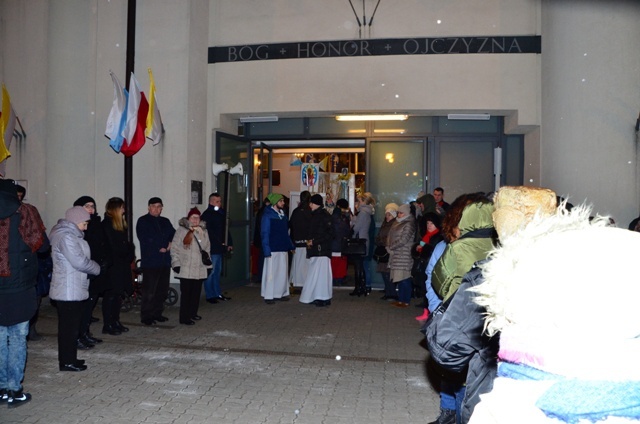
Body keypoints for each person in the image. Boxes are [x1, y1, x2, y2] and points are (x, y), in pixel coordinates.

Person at [426, 186, 557, 424]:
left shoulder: (484, 268)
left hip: (496, 359)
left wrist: (439, 319)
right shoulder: (571, 256)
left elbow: (449, 348)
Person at [428, 196, 496, 424]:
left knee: (455, 372)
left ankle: (451, 414)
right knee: (477, 383)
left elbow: (436, 280)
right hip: (490, 324)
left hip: (459, 319)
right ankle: (453, 413)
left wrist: (438, 311)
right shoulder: (502, 244)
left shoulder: (454, 247)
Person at [0, 179, 47, 408]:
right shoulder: (26, 212)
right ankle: (15, 390)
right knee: (17, 339)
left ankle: (1, 389)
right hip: (20, 289)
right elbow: (43, 245)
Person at [49, 206, 101, 372]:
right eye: (84, 223)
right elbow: (79, 261)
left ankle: (71, 358)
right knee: (68, 328)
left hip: (73, 286)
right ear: (76, 221)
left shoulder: (71, 235)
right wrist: (97, 268)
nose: (86, 227)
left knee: (72, 327)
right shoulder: (66, 237)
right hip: (68, 289)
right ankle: (66, 362)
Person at [73, 196, 111, 348]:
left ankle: (85, 332)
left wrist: (105, 262)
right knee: (82, 307)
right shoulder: (78, 226)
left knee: (90, 304)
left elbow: (103, 244)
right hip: (86, 270)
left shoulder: (96, 223)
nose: (91, 209)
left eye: (92, 206)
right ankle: (79, 335)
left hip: (98, 269)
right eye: (87, 206)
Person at [136, 197, 176, 325]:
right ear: (149, 207)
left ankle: (157, 313)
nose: (156, 209)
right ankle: (146, 316)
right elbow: (146, 238)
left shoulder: (165, 221)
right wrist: (161, 246)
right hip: (151, 261)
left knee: (162, 290)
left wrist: (169, 244)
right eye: (153, 206)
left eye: (159, 206)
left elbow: (173, 234)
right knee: (149, 291)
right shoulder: (143, 221)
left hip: (164, 261)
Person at [101, 197, 135, 336]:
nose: (124, 210)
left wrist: (129, 252)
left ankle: (115, 321)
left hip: (120, 265)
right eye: (121, 208)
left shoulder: (119, 224)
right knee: (111, 296)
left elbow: (125, 244)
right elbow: (111, 247)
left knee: (117, 296)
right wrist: (125, 253)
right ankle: (108, 324)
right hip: (113, 267)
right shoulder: (107, 225)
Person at [171, 207, 211, 325]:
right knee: (186, 294)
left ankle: (193, 313)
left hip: (199, 267)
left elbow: (207, 249)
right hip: (185, 267)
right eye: (193, 218)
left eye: (197, 217)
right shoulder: (181, 231)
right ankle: (184, 317)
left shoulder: (203, 231)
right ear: (188, 218)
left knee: (196, 293)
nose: (195, 220)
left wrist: (208, 266)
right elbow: (174, 248)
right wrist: (176, 263)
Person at [299, 194, 333, 307]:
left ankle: (321, 297)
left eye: (311, 203)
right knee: (321, 276)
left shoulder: (321, 216)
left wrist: (314, 242)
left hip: (320, 250)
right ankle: (321, 296)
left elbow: (328, 234)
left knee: (319, 275)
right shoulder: (321, 215)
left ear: (315, 204)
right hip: (320, 250)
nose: (309, 205)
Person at [261, 193, 294, 304]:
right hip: (273, 248)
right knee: (271, 273)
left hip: (282, 247)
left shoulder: (282, 215)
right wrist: (266, 249)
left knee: (282, 272)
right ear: (275, 202)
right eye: (281, 201)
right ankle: (269, 295)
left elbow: (285, 232)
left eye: (283, 201)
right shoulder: (267, 215)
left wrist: (290, 245)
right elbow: (265, 233)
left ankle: (281, 293)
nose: (283, 203)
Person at [200, 193, 232, 304]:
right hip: (212, 247)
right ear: (211, 202)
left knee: (217, 271)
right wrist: (220, 242)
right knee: (211, 272)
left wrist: (229, 242)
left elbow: (225, 229)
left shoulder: (220, 213)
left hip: (220, 247)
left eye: (220, 201)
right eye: (217, 201)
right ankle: (210, 295)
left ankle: (217, 292)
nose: (220, 203)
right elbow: (208, 233)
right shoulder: (207, 214)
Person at [414, 212, 444, 320]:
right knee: (425, 288)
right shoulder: (426, 236)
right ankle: (426, 310)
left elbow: (432, 251)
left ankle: (429, 312)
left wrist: (423, 249)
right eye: (428, 223)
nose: (429, 225)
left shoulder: (438, 237)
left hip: (431, 265)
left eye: (432, 223)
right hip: (424, 264)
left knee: (430, 289)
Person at [386, 204, 417, 307]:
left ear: (407, 213)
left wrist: (391, 246)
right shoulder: (397, 222)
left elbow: (404, 239)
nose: (399, 214)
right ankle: (401, 300)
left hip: (404, 255)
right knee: (399, 279)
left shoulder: (409, 224)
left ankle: (406, 300)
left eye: (401, 212)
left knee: (405, 278)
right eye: (398, 212)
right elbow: (390, 235)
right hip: (396, 255)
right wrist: (389, 245)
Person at [349, 192, 375, 296]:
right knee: (361, 265)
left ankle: (359, 287)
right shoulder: (367, 212)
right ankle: (362, 286)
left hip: (359, 241)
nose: (357, 203)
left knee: (358, 266)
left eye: (359, 201)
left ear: (363, 202)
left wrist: (352, 224)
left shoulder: (363, 213)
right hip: (364, 240)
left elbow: (356, 228)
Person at [288, 190, 312, 291]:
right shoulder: (310, 212)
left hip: (297, 242)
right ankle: (306, 283)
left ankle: (296, 283)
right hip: (308, 243)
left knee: (297, 264)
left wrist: (292, 242)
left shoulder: (296, 212)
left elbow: (291, 226)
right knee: (306, 265)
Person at [376, 203, 399, 301]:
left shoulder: (394, 224)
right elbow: (380, 235)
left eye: (389, 214)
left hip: (389, 251)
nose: (387, 216)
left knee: (388, 274)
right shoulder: (385, 223)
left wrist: (382, 240)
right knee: (384, 273)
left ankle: (391, 293)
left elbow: (391, 238)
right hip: (383, 251)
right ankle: (388, 292)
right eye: (386, 214)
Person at [330, 198, 352, 286]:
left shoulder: (331, 217)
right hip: (342, 245)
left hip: (332, 244)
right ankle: (339, 280)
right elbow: (348, 231)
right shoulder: (345, 218)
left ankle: (333, 281)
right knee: (340, 265)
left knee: (333, 264)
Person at [252, 197, 270, 282]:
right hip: (262, 239)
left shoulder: (261, 212)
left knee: (261, 258)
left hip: (260, 238)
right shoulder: (264, 213)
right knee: (262, 258)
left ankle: (260, 276)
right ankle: (261, 277)